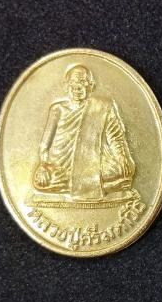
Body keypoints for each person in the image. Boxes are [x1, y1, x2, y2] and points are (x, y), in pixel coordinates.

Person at [33, 64, 135, 201]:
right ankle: (106, 186)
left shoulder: (103, 107)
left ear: (91, 86)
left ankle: (82, 185)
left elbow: (115, 137)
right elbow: (44, 146)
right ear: (66, 86)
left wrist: (122, 157)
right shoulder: (57, 109)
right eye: (73, 82)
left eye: (82, 81)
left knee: (126, 170)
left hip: (93, 162)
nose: (77, 87)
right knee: (41, 182)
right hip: (62, 167)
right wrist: (43, 166)